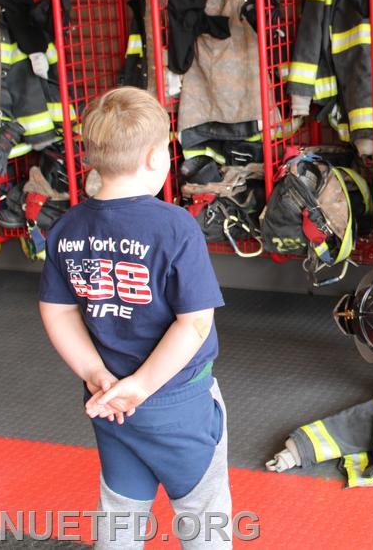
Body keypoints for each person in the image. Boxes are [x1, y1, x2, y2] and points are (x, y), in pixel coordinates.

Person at [38, 87, 230, 549]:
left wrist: (96, 374)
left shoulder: (66, 228)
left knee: (119, 517)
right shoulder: (175, 226)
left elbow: (57, 310)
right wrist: (142, 387)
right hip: (178, 402)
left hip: (109, 404)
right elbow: (195, 323)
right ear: (153, 157)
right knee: (204, 519)